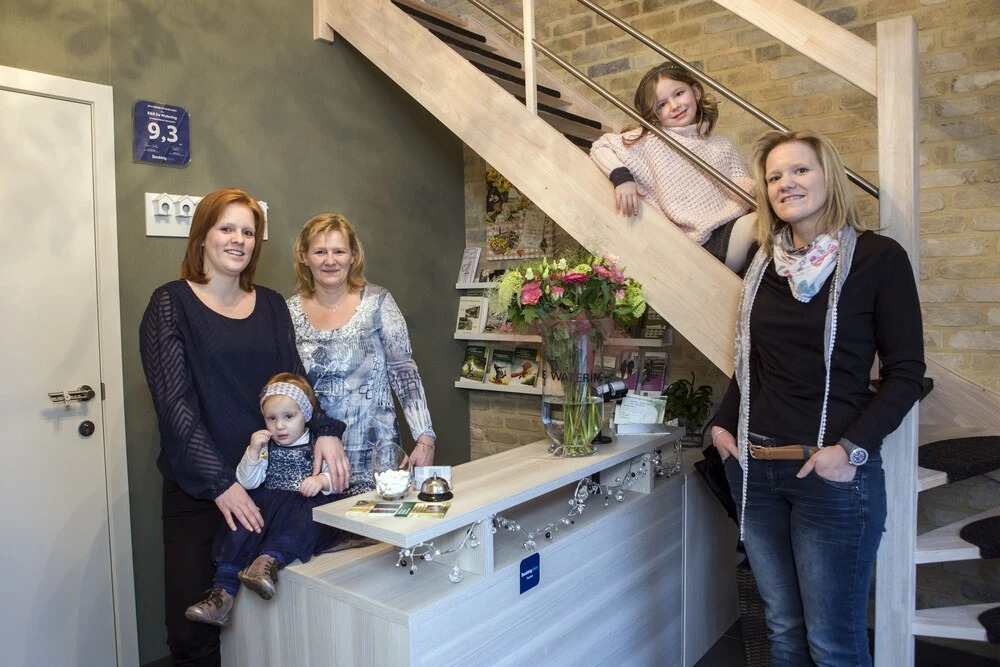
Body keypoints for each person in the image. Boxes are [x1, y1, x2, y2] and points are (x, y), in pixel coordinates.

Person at [710, 130, 925, 666]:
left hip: (828, 478)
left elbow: (906, 373)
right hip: (756, 472)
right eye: (774, 176)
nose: (786, 183)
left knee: (832, 643)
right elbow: (753, 361)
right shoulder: (763, 263)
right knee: (782, 629)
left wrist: (850, 450)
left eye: (800, 170)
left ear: (829, 176)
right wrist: (722, 424)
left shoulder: (877, 258)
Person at [139, 188, 349, 666]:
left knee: (270, 629)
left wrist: (327, 429)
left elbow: (295, 383)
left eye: (249, 232)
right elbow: (175, 408)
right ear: (202, 235)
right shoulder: (170, 304)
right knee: (193, 635)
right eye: (227, 228)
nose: (239, 239)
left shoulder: (271, 305)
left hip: (271, 491)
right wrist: (222, 484)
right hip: (201, 493)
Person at [287, 213, 436, 494]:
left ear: (353, 255)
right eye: (320, 252)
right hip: (314, 460)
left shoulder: (378, 303)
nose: (330, 260)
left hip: (377, 458)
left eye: (339, 251)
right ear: (304, 256)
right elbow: (286, 387)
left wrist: (424, 436)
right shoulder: (288, 313)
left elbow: (404, 371)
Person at [184, 373, 345, 627]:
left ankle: (266, 563)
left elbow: (338, 480)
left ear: (305, 415)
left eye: (288, 417)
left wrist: (321, 481)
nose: (279, 426)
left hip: (303, 504)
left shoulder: (317, 442)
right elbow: (247, 481)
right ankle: (222, 595)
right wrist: (253, 452)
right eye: (272, 418)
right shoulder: (266, 447)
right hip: (270, 503)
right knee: (241, 526)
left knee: (305, 522)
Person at [590, 61, 756, 271]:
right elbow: (601, 146)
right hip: (702, 243)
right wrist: (621, 177)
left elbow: (742, 186)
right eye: (662, 105)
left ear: (695, 92)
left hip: (734, 228)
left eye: (678, 94)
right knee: (767, 224)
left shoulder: (723, 144)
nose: (674, 105)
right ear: (654, 114)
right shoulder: (652, 140)